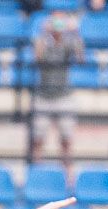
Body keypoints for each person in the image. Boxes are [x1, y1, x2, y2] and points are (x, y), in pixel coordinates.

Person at [30, 10, 84, 177]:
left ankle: (68, 176)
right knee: (38, 139)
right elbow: (37, 57)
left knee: (66, 140)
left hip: (64, 96)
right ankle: (36, 174)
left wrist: (75, 32)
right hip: (43, 96)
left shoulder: (68, 42)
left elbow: (81, 57)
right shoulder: (43, 41)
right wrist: (43, 32)